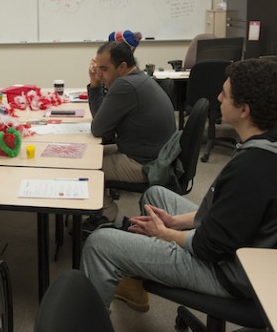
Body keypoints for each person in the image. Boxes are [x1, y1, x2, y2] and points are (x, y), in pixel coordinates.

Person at [81, 58, 277, 313]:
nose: (218, 97)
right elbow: (231, 215)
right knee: (155, 195)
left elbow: (209, 246)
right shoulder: (264, 146)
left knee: (100, 243)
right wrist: (173, 222)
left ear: (244, 110)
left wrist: (164, 233)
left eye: (225, 94)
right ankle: (134, 281)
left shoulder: (252, 168)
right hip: (231, 241)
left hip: (228, 272)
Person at [86, 41, 176, 230]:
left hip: (144, 163)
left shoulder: (125, 85)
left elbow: (98, 129)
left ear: (123, 67)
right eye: (97, 68)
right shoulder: (137, 78)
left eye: (104, 69)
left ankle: (113, 218)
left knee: (83, 167)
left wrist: (95, 87)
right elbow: (102, 123)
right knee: (85, 153)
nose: (100, 73)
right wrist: (96, 84)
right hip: (152, 154)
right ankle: (103, 213)